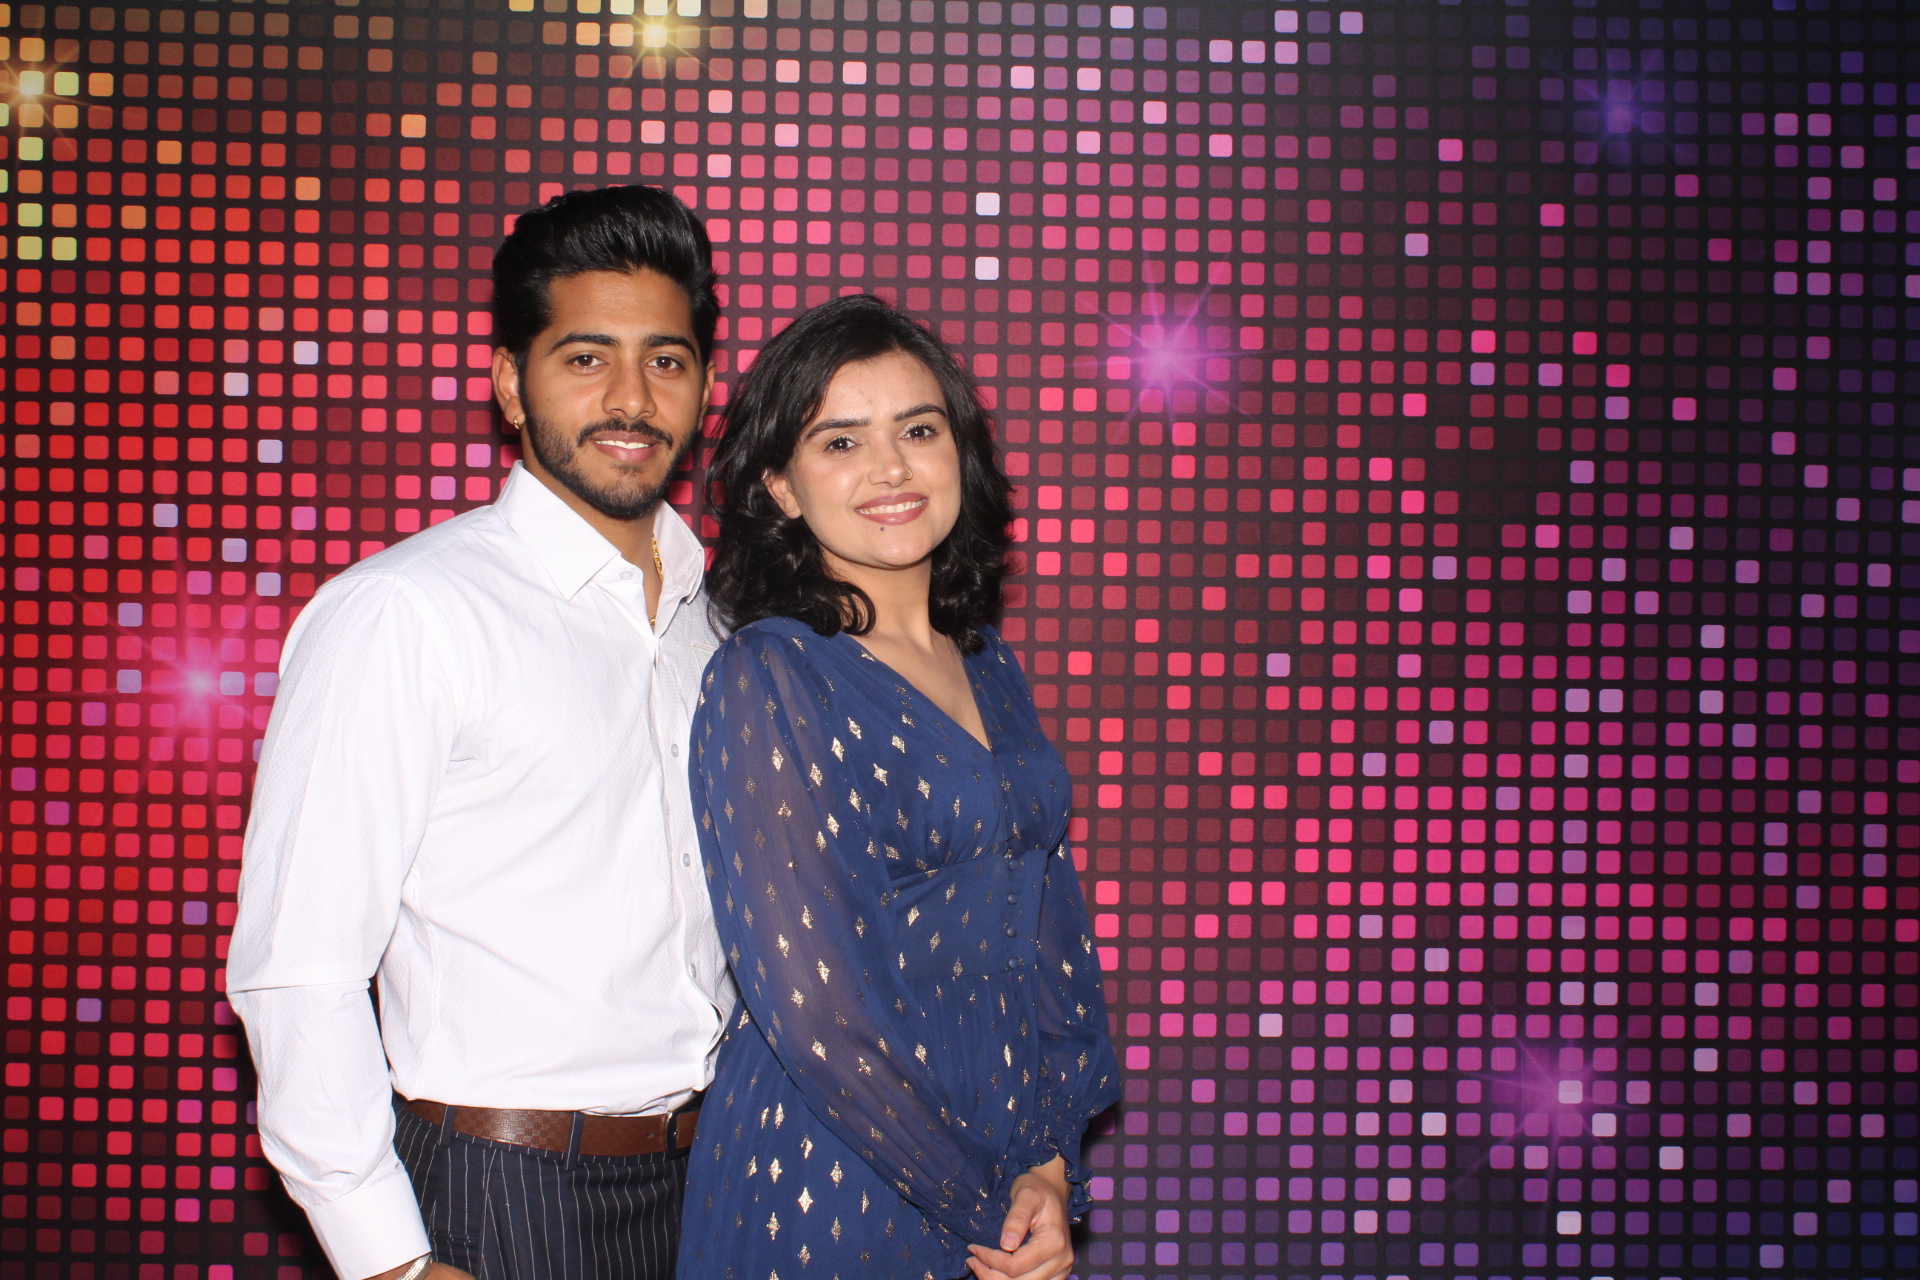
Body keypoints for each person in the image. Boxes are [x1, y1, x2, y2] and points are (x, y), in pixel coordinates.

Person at [228, 185, 734, 1280]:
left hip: (715, 1179)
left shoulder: (722, 623)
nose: (631, 397)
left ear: (703, 386)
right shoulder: (406, 613)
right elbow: (299, 966)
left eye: (666, 359)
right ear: (510, 382)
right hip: (501, 1192)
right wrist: (391, 1258)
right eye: (586, 357)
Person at [677, 294, 1120, 1280]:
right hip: (828, 1181)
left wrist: (1049, 1162)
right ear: (781, 486)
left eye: (919, 430)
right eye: (841, 441)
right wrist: (987, 1206)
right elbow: (814, 1011)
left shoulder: (988, 661)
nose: (890, 468)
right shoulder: (769, 673)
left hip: (1008, 1165)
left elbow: (1051, 933)